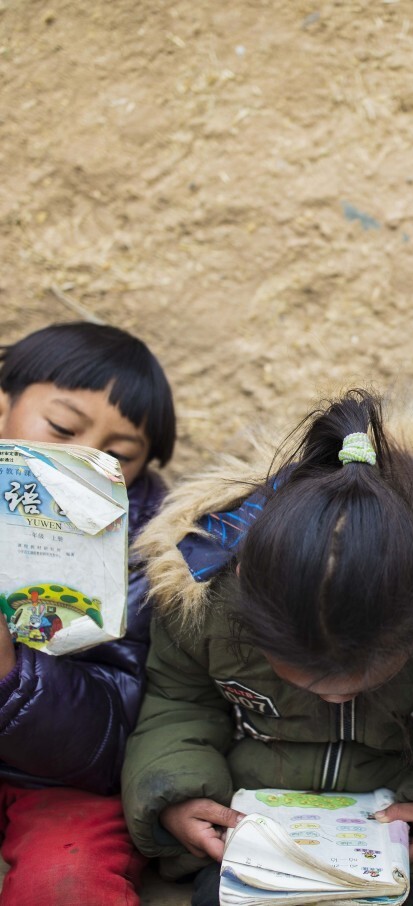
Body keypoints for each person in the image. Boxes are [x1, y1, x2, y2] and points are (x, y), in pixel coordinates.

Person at [121, 389, 413, 906]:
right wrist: (181, 798)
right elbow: (179, 700)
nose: (336, 700)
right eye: (303, 677)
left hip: (405, 849)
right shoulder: (205, 591)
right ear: (247, 591)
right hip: (250, 840)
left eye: (362, 681)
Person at [0, 321, 176, 905]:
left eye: (117, 455)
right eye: (61, 427)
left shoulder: (154, 557)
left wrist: (10, 673)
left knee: (66, 883)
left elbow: (121, 733)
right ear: (2, 405)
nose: (81, 458)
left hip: (63, 782)